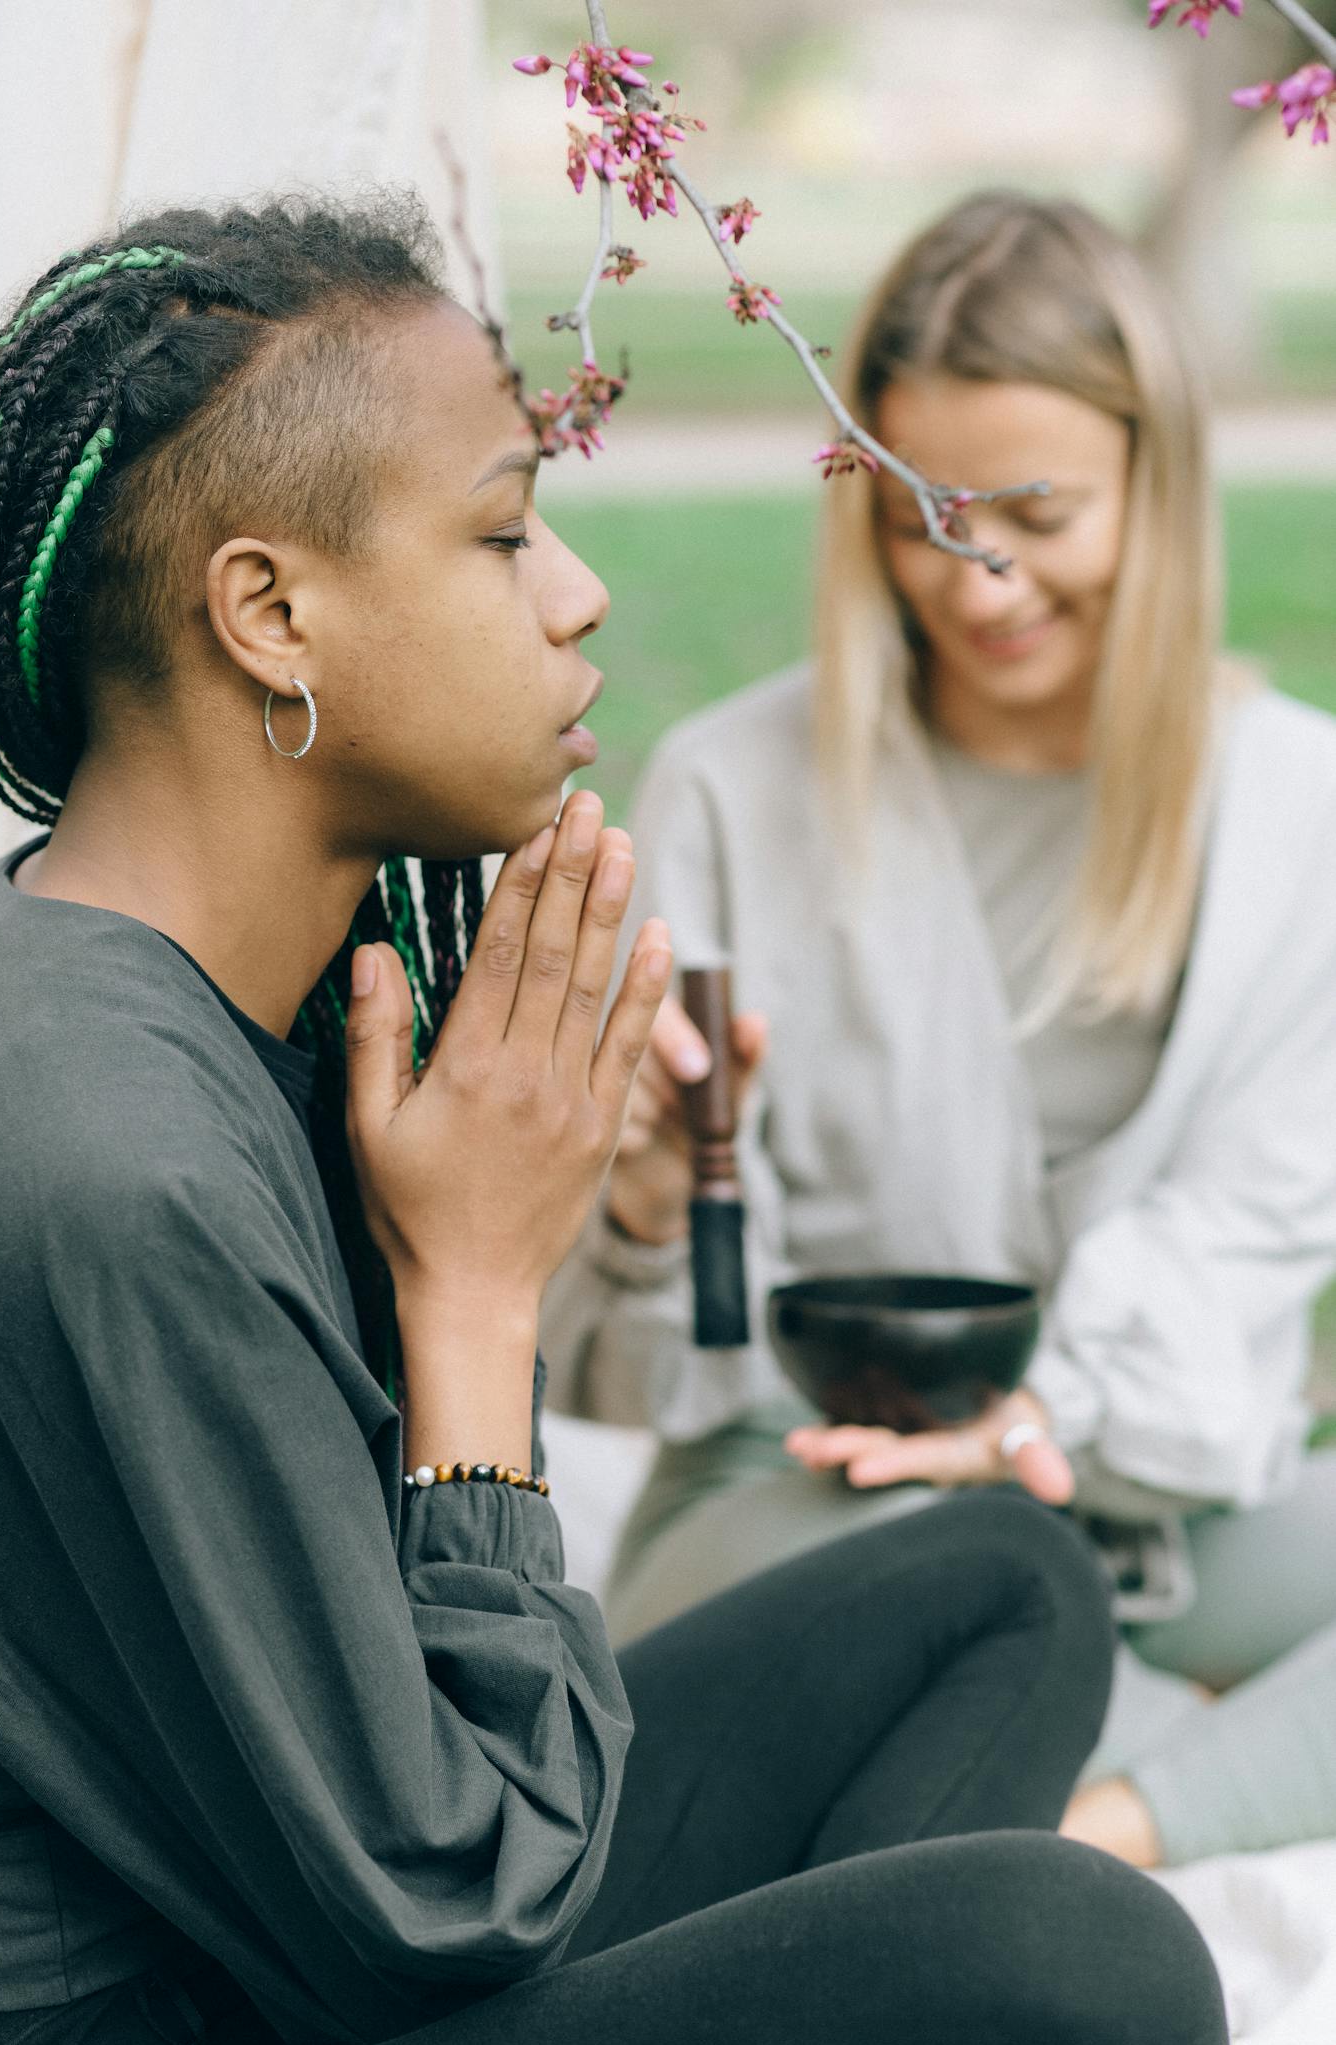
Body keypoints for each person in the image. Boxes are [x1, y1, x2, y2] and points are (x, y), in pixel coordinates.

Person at [0, 199, 1225, 2045]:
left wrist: (536, 1208)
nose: (578, 591)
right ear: (269, 613)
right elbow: (446, 1905)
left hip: (315, 1918)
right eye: (500, 531)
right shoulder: (108, 1158)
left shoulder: (175, 996)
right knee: (1079, 1956)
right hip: (219, 2000)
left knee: (1002, 1586)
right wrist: (477, 1294)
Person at [539, 190, 1336, 1848]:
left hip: (1139, 1490)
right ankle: (1124, 1777)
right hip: (800, 1488)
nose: (976, 579)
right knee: (909, 1642)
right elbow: (642, 1350)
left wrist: (1049, 1427)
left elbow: (1253, 1230)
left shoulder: (1297, 815)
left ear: (1160, 493)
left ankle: (1104, 1822)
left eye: (1036, 512)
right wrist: (629, 1199)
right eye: (921, 515)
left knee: (1007, 1641)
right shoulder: (735, 790)